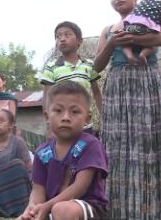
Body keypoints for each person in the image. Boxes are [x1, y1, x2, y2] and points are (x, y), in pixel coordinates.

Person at [93, 0, 161, 220]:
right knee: (117, 145)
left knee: (148, 141)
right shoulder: (108, 29)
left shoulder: (152, 18)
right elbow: (97, 66)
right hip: (119, 84)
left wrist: (132, 37)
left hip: (148, 81)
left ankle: (152, 207)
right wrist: (113, 41)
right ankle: (119, 208)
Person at [19, 81, 108, 220]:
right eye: (58, 110)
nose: (66, 117)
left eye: (75, 111)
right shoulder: (42, 152)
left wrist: (47, 206)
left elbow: (80, 187)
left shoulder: (90, 144)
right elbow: (38, 190)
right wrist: (32, 208)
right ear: (47, 116)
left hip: (87, 207)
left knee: (62, 209)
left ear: (87, 119)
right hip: (50, 208)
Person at [40, 21, 102, 136]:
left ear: (79, 41)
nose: (62, 39)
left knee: (86, 151)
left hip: (84, 124)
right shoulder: (52, 67)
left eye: (67, 35)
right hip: (62, 124)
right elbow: (47, 97)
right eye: (58, 37)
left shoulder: (88, 65)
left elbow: (97, 93)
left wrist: (105, 116)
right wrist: (49, 124)